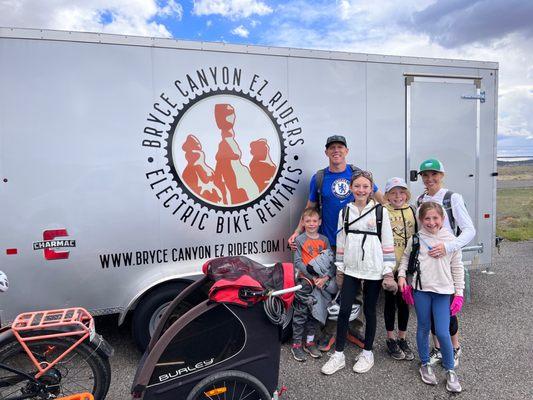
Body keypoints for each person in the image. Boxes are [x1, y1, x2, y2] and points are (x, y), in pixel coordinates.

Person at [288, 135, 384, 351]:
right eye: (332, 148)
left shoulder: (358, 175)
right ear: (326, 152)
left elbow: (381, 200)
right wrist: (297, 232)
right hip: (328, 245)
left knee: (356, 289)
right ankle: (331, 332)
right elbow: (310, 207)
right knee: (331, 288)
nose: (336, 151)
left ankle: (353, 328)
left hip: (355, 244)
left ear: (347, 151)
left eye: (340, 147)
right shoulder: (320, 178)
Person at [321, 170, 395, 375]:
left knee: (370, 311)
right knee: (344, 311)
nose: (361, 190)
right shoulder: (344, 212)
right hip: (351, 268)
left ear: (371, 189)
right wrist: (340, 268)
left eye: (365, 186)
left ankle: (368, 352)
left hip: (373, 269)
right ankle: (338, 355)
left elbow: (388, 244)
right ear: (351, 189)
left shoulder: (381, 212)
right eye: (357, 186)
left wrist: (388, 271)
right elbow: (342, 242)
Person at [397, 201, 465, 393]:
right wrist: (402, 276)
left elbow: (457, 267)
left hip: (443, 292)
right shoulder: (416, 239)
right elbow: (405, 259)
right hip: (421, 290)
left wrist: (458, 293)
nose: (431, 222)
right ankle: (425, 364)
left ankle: (450, 369)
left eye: (435, 218)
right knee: (424, 327)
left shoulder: (451, 240)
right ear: (420, 220)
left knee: (443, 332)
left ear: (442, 219)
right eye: (427, 218)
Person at [416, 158, 475, 367]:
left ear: (442, 175)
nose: (429, 178)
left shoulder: (452, 197)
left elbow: (469, 230)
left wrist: (448, 247)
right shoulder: (421, 199)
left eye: (434, 174)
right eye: (425, 175)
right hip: (428, 265)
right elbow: (420, 232)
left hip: (447, 262)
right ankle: (439, 349)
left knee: (447, 311)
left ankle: (455, 347)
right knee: (431, 313)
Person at [291, 207, 338, 362]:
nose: (311, 224)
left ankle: (310, 342)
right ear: (303, 223)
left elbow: (331, 261)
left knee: (315, 314)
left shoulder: (324, 240)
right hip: (305, 281)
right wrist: (313, 276)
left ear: (320, 222)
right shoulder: (299, 240)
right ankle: (296, 344)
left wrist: (326, 277)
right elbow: (297, 261)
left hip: (320, 283)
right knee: (300, 313)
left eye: (314, 221)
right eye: (308, 221)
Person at [382, 177, 416, 361]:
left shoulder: (412, 210)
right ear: (387, 195)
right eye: (393, 193)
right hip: (389, 266)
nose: (398, 196)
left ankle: (402, 338)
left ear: (406, 194)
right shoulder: (382, 211)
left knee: (404, 303)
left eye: (401, 192)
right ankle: (390, 338)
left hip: (407, 266)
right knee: (389, 302)